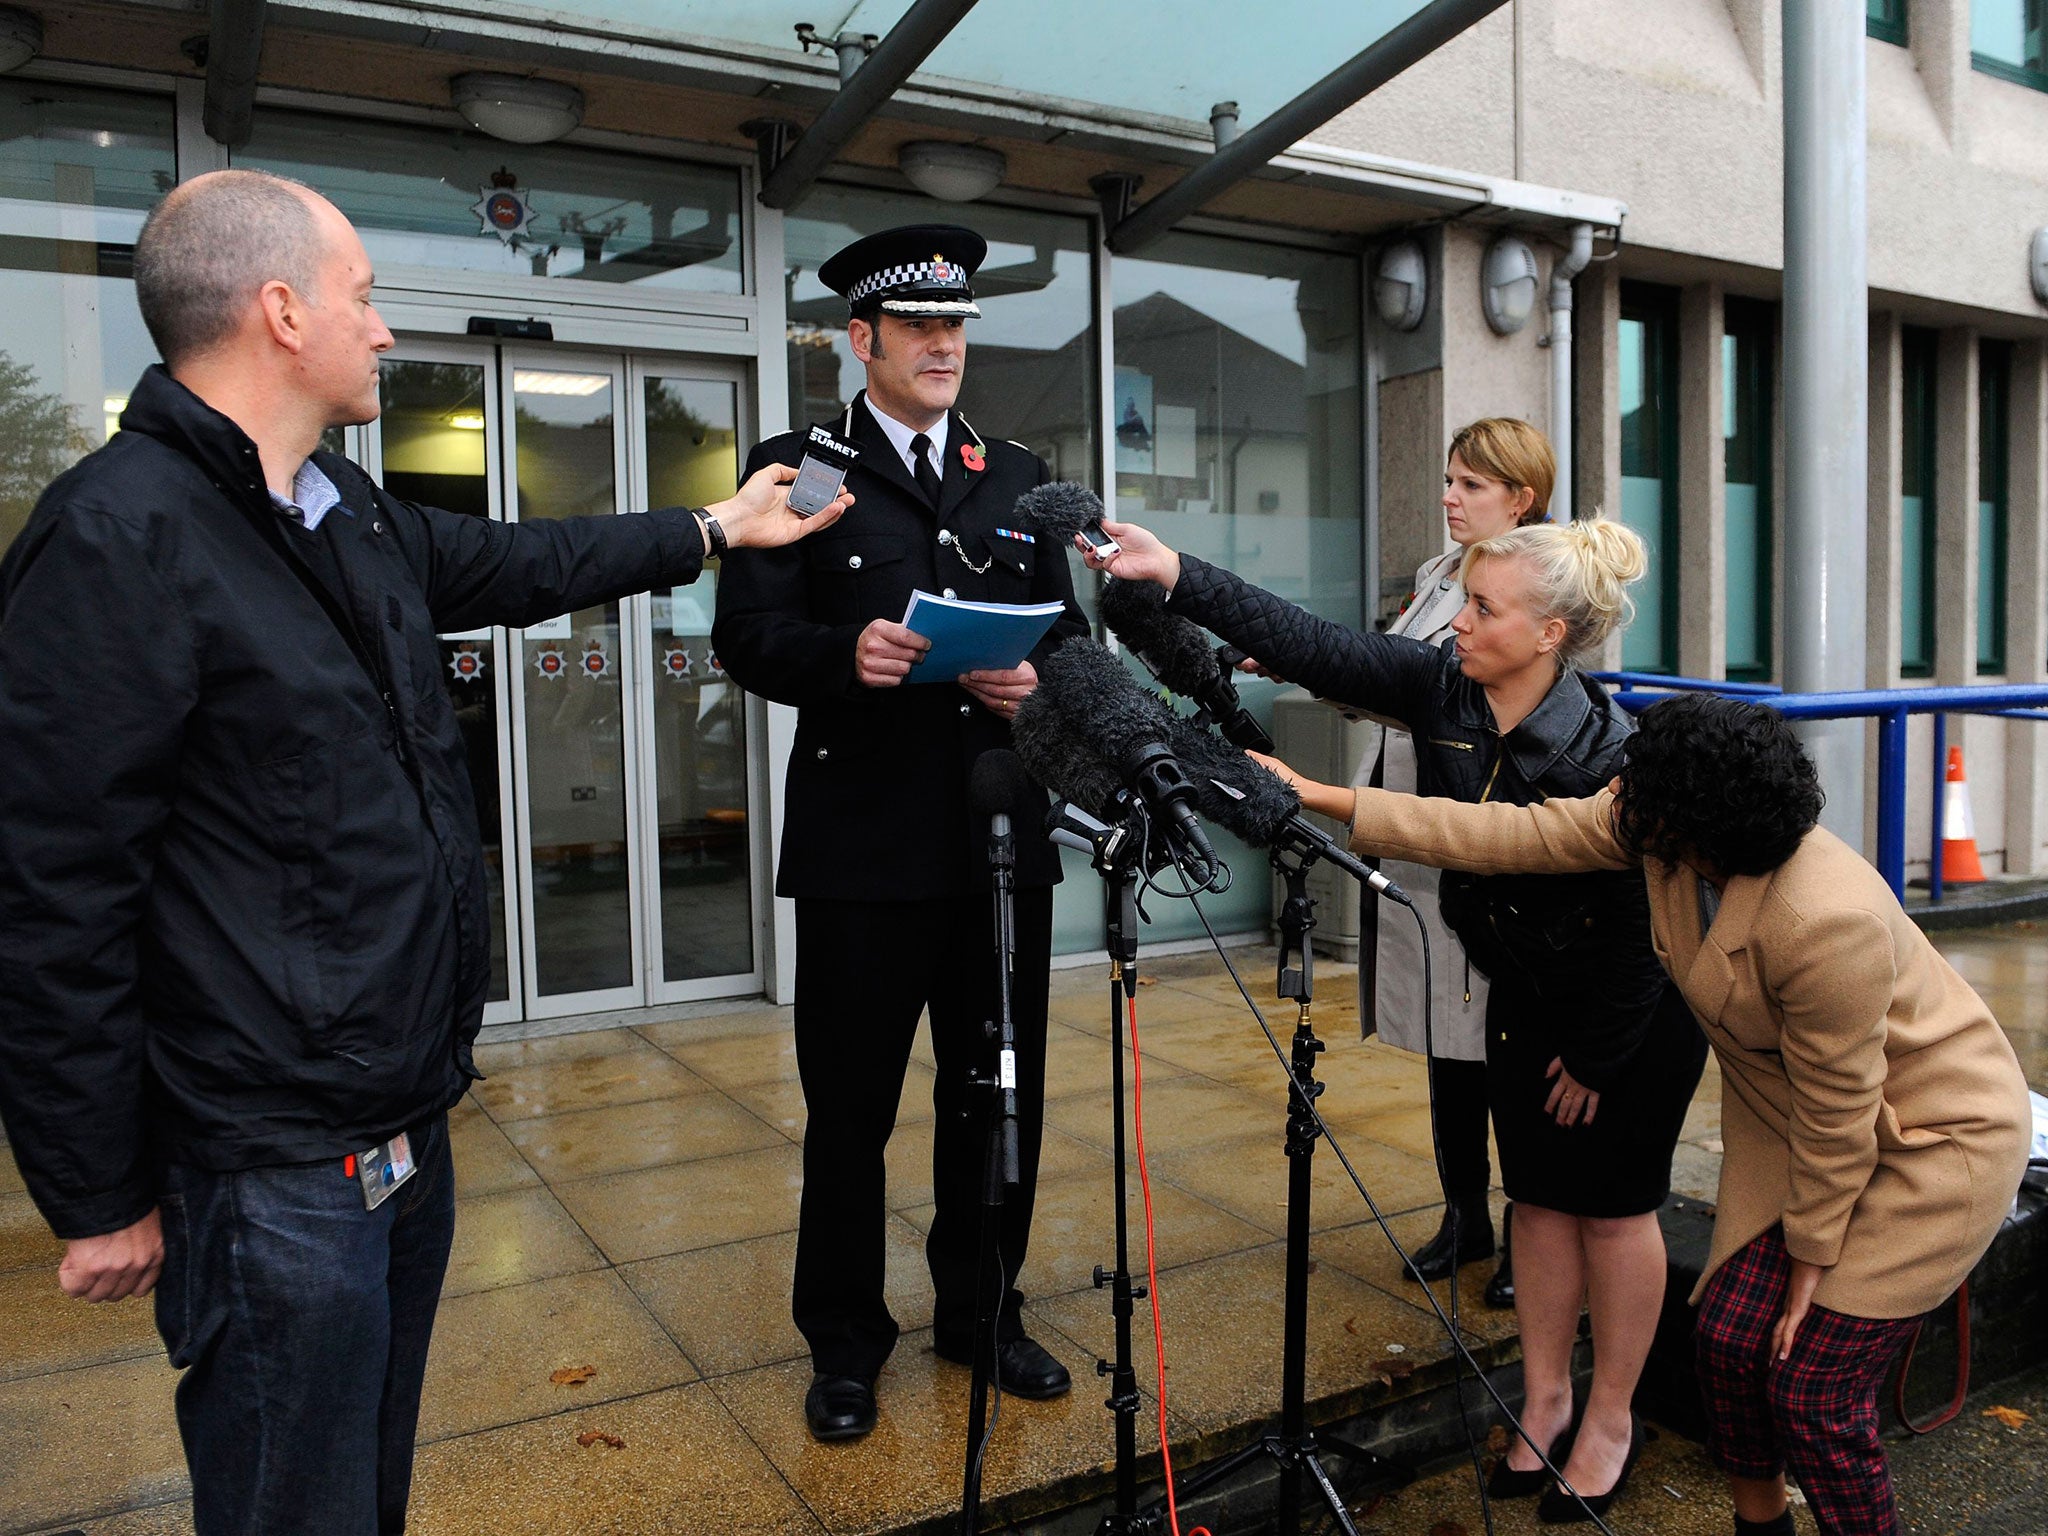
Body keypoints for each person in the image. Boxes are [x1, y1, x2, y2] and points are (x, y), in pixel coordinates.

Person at [0, 169, 849, 1536]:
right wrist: (94, 1187)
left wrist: (714, 529)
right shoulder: (117, 538)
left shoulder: (338, 508)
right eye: (364, 294)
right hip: (268, 1165)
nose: (384, 329)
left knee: (363, 1494)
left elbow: (520, 563)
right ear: (280, 311)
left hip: (396, 1129)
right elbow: (52, 893)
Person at [1081, 512, 1707, 1521]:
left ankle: (1610, 1417)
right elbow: (1310, 643)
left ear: (1549, 633)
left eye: (1483, 606)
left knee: (1612, 1207)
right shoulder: (1443, 689)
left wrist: (1594, 1057)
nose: (1457, 620)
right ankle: (1544, 1399)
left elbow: (1643, 927)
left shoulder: (1604, 749)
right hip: (1524, 993)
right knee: (1538, 1201)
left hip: (1625, 1012)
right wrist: (1175, 572)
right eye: (1461, 598)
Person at [1310, 692, 2032, 1536]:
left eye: (1635, 786)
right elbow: (1510, 834)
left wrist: (1811, 1268)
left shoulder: (1827, 918)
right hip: (1807, 1126)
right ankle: (1762, 1524)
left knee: (1813, 1389)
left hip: (1934, 1143)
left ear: (1691, 819)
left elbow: (1843, 1115)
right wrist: (1322, 798)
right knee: (1726, 1341)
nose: (1618, 794)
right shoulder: (1668, 843)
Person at [714, 224, 1089, 1442]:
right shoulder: (803, 469)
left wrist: (1039, 683)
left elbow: (1067, 638)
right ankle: (844, 1342)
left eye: (958, 325)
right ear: (860, 341)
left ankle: (981, 1312)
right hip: (862, 851)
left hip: (994, 845)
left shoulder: (1016, 469)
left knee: (994, 1094)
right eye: (919, 326)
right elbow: (748, 638)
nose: (944, 343)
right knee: (852, 1111)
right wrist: (850, 656)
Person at [1356, 418, 1556, 1304]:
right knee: (1448, 1047)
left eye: (1471, 485)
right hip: (1425, 837)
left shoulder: (1542, 583)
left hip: (1487, 844)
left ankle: (1527, 1239)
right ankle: (1464, 1216)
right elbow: (1399, 681)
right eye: (1448, 480)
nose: (1449, 497)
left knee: (1504, 1053)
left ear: (1520, 498)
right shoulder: (1441, 578)